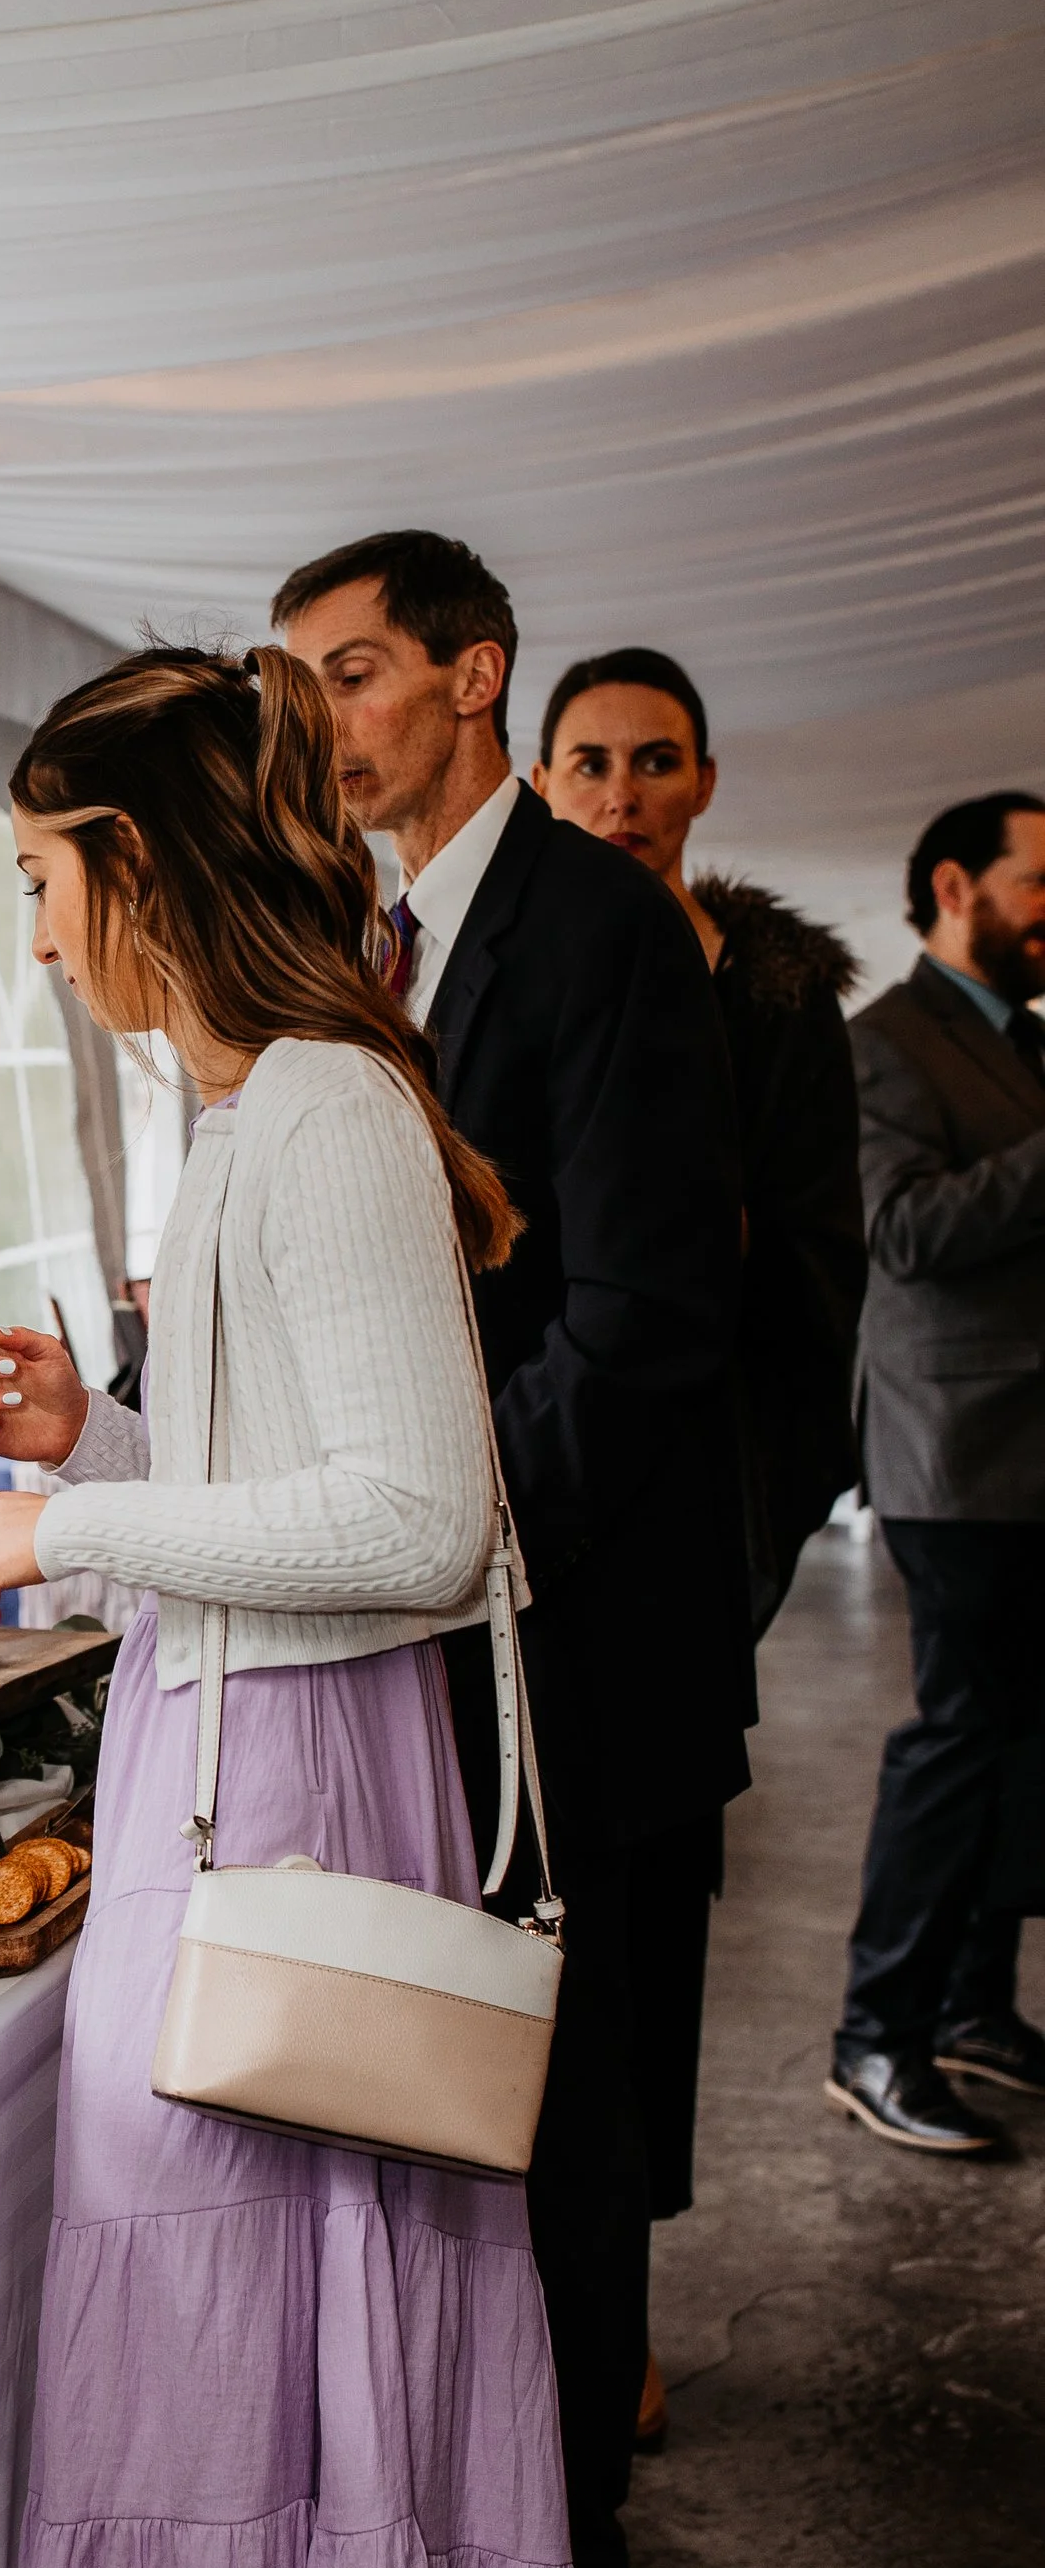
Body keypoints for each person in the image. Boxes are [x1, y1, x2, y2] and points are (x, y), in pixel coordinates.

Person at [0, 645, 590, 2568]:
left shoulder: (308, 1116)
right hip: (256, 1774)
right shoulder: (266, 1114)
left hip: (279, 1807)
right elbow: (309, 1475)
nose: (37, 936)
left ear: (138, 863)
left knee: (239, 2405)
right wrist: (87, 1432)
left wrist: (65, 1524)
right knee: (270, 2409)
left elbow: (419, 1527)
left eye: (39, 882)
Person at [273, 532, 748, 2568]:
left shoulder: (604, 935)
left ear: (474, 680)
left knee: (558, 2137)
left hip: (566, 1638)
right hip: (418, 1629)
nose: (321, 719)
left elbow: (643, 1321)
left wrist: (433, 1541)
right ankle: (441, 2541)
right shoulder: (341, 940)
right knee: (427, 2106)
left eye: (354, 673)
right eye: (299, 683)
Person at [533, 648, 864, 2367]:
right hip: (547, 1487)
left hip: (705, 1494)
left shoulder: (776, 1003)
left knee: (653, 1913)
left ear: (704, 785)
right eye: (589, 760)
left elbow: (810, 1266)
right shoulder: (524, 971)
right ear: (540, 773)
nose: (621, 792)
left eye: (654, 762)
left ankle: (627, 2304)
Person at [830, 791, 1045, 2154]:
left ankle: (973, 2005)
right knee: (960, 1741)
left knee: (1019, 1743)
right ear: (957, 885)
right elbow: (902, 1233)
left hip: (1025, 1453)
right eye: (1042, 880)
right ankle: (876, 2034)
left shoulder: (1019, 1042)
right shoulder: (881, 1043)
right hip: (952, 1451)